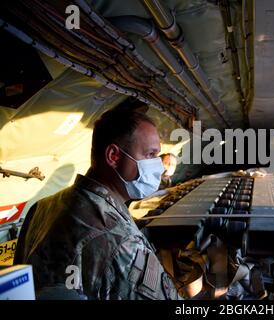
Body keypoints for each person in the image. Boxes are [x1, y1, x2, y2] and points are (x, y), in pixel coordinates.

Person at [14, 107, 180, 300]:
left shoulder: (42, 207)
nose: (158, 166)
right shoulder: (123, 241)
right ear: (113, 156)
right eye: (150, 155)